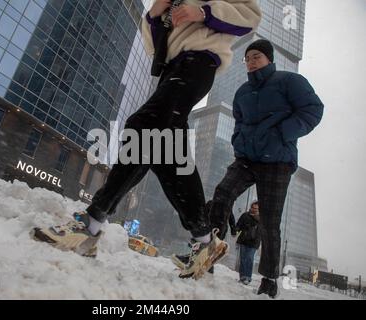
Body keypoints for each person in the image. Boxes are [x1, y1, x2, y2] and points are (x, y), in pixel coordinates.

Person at [31, 0, 262, 280]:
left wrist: (204, 13)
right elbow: (155, 47)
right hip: (172, 69)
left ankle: (91, 224)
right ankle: (204, 241)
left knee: (143, 126)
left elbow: (250, 17)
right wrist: (154, 14)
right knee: (166, 152)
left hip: (199, 61)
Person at [208, 39, 324, 296]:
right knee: (222, 194)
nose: (251, 62)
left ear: (270, 59)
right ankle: (208, 253)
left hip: (278, 161)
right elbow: (238, 122)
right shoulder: (242, 92)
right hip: (247, 159)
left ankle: (269, 278)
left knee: (269, 221)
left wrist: (282, 133)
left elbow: (314, 110)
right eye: (247, 58)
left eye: (257, 57)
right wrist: (238, 141)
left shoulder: (289, 81)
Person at [236, 201, 261, 285]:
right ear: (251, 207)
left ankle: (248, 277)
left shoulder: (261, 218)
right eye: (253, 208)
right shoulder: (245, 215)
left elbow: (262, 231)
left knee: (249, 259)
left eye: (256, 209)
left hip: (254, 242)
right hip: (243, 240)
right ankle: (242, 277)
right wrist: (236, 230)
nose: (254, 210)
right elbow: (238, 225)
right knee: (243, 259)